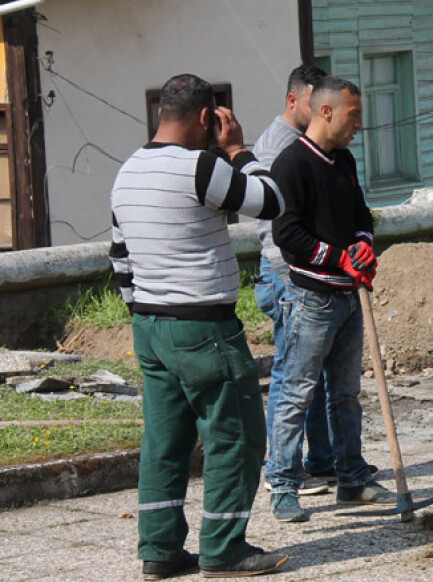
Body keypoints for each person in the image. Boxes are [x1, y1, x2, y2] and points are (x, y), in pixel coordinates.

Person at [110, 74, 289, 579]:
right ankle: (224, 548)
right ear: (207, 118)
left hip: (150, 325)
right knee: (236, 435)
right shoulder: (201, 167)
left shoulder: (127, 170)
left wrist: (145, 313)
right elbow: (270, 200)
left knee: (164, 442)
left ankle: (160, 551)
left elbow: (119, 257)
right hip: (204, 325)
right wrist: (237, 149)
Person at [267, 76, 391, 522]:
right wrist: (340, 258)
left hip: (348, 298)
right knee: (297, 393)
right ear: (326, 112)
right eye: (354, 115)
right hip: (311, 300)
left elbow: (361, 214)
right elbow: (288, 235)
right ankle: (282, 484)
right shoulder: (291, 164)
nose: (360, 124)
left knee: (346, 395)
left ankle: (351, 479)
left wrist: (362, 245)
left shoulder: (344, 161)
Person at [252, 64, 334, 497]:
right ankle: (282, 471)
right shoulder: (275, 149)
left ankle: (323, 460)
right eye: (313, 103)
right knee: (290, 374)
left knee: (314, 372)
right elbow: (274, 227)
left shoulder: (311, 144)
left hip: (306, 274)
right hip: (285, 274)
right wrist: (293, 281)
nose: (324, 112)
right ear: (292, 101)